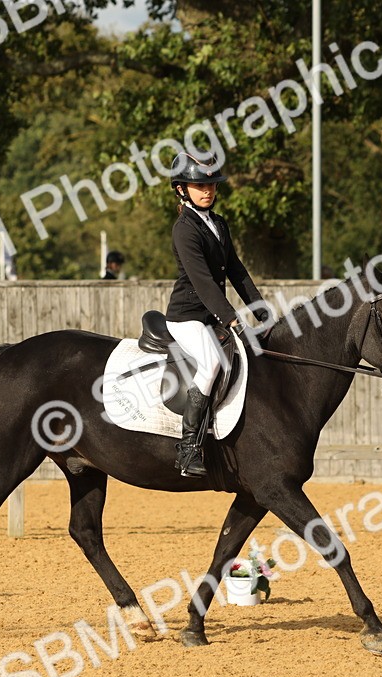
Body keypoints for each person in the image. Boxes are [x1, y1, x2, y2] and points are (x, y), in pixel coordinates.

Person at [165, 152, 270, 478]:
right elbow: (205, 283)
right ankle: (188, 449)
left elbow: (236, 270)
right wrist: (233, 319)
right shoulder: (184, 230)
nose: (207, 190)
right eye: (199, 184)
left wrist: (258, 305)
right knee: (211, 362)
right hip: (187, 317)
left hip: (211, 315)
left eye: (211, 184)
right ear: (182, 188)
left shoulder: (219, 222)